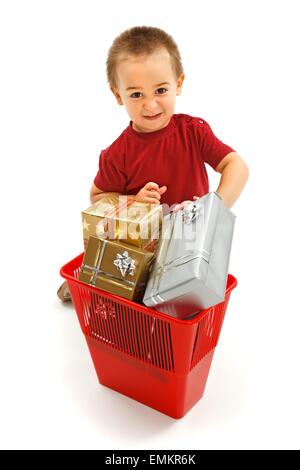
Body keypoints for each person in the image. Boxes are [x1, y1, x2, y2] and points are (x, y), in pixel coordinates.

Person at [57, 25, 249, 302]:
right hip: (143, 251)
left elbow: (236, 166)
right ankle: (90, 284)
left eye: (160, 90)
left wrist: (211, 208)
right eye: (136, 94)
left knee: (188, 295)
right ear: (117, 94)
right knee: (128, 285)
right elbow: (97, 197)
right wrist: (133, 200)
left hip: (188, 245)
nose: (150, 105)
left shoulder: (193, 131)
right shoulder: (118, 153)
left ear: (179, 84)